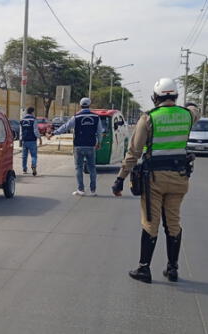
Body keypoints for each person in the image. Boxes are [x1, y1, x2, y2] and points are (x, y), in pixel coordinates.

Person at [111, 78, 200, 284]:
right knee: (173, 222)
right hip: (179, 178)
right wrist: (190, 105)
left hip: (154, 179)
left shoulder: (148, 119)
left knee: (151, 223)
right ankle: (172, 268)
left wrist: (120, 179)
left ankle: (144, 269)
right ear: (175, 96)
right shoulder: (187, 115)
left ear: (155, 97)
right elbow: (196, 110)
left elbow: (133, 153)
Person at [48, 97, 102, 196]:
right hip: (91, 145)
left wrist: (54, 133)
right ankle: (93, 190)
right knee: (92, 168)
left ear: (80, 105)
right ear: (89, 105)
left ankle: (80, 189)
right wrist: (99, 143)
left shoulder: (76, 117)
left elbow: (65, 127)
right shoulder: (96, 117)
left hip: (78, 145)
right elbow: (99, 131)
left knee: (79, 168)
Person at [20, 107, 42, 176]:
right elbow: (35, 130)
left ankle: (24, 169)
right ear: (32, 112)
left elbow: (21, 131)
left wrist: (21, 139)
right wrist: (40, 138)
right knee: (34, 155)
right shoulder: (33, 119)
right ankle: (34, 166)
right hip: (32, 140)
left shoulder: (22, 120)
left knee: (24, 156)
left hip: (24, 140)